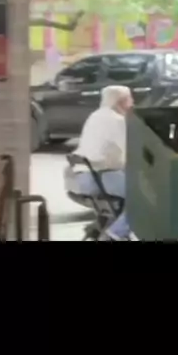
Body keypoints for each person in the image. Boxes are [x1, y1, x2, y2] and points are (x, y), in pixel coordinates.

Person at [65, 85, 133, 241]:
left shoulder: (95, 116)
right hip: (101, 178)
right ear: (121, 101)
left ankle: (102, 227)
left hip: (83, 178)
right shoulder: (117, 120)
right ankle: (114, 234)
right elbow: (130, 152)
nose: (132, 104)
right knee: (144, 197)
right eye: (130, 99)